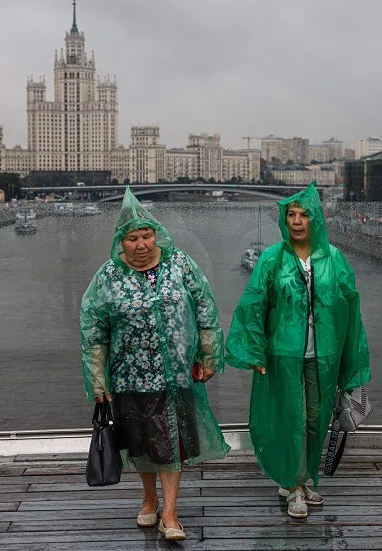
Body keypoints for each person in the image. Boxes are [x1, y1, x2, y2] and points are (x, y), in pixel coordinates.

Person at [80, 188, 230, 541]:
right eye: (133, 238)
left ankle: (172, 513)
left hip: (176, 374)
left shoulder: (180, 263)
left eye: (146, 235)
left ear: (156, 234)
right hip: (130, 377)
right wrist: (97, 381)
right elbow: (93, 330)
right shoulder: (108, 277)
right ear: (122, 243)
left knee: (172, 444)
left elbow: (206, 307)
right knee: (143, 443)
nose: (142, 243)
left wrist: (209, 354)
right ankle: (149, 500)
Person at [225, 182, 371, 518]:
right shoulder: (272, 259)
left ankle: (302, 478)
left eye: (304, 214)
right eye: (291, 214)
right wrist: (255, 351)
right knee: (290, 418)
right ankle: (294, 486)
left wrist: (351, 360)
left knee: (316, 419)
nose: (297, 220)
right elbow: (253, 305)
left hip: (323, 356)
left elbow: (351, 311)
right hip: (283, 353)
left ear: (316, 220)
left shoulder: (334, 259)